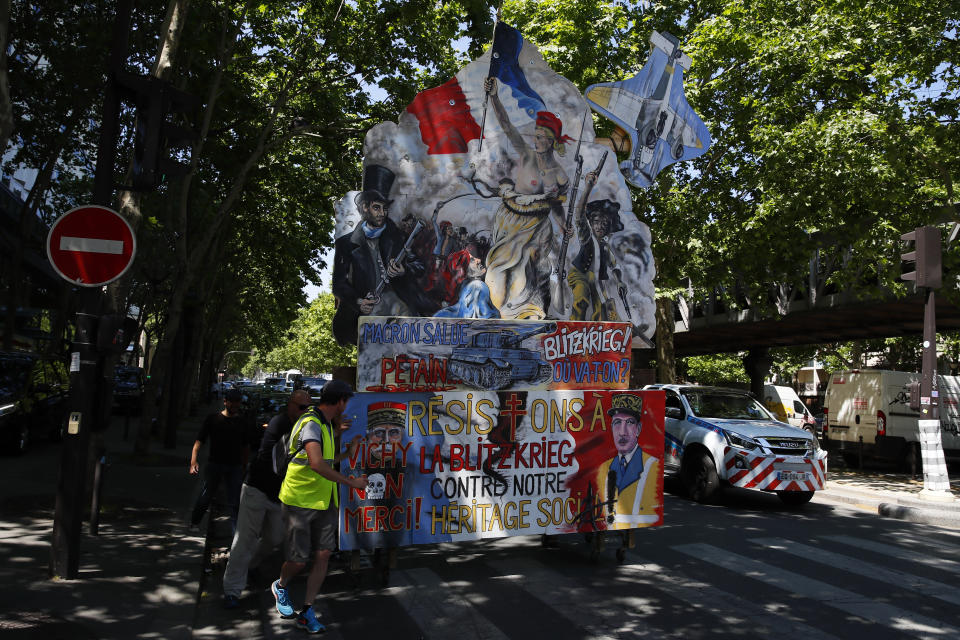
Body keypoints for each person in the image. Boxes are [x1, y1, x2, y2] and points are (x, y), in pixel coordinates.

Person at [271, 380, 368, 634]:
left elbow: (325, 460)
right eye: (347, 402)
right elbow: (316, 464)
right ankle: (281, 586)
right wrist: (352, 482)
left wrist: (347, 454)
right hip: (299, 501)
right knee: (298, 561)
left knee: (323, 554)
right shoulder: (312, 423)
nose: (347, 408)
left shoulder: (325, 424)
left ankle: (307, 610)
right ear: (340, 402)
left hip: (324, 500)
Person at [482, 76, 570, 320]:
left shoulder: (559, 175)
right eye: (536, 136)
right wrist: (494, 96)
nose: (537, 140)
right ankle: (499, 310)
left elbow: (556, 206)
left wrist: (563, 225)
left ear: (552, 141)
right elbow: (507, 126)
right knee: (498, 269)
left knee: (531, 268)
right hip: (511, 220)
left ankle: (529, 313)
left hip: (538, 226)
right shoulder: (527, 156)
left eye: (542, 137)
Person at [221, 388, 312, 609]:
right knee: (245, 539)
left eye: (307, 408)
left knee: (275, 538)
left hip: (278, 496)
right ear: (290, 405)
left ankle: (250, 565)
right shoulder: (279, 423)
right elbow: (270, 458)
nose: (304, 412)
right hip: (257, 489)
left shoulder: (307, 427)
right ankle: (232, 590)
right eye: (301, 407)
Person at [331, 164, 431, 346]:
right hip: (365, 311)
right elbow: (339, 284)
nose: (382, 214)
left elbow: (419, 267)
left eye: (385, 208)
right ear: (364, 208)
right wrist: (359, 301)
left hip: (397, 305)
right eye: (377, 208)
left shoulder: (397, 236)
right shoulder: (345, 243)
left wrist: (403, 271)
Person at [189, 388, 253, 533]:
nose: (235, 406)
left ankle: (236, 531)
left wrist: (244, 464)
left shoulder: (242, 422)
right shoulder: (213, 419)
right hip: (215, 463)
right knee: (206, 495)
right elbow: (200, 441)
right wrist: (193, 461)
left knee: (234, 500)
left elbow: (246, 446)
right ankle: (194, 522)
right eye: (233, 403)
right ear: (225, 402)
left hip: (234, 465)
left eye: (238, 403)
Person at [595, 393, 660, 530]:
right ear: (611, 428)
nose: (622, 432)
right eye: (617, 423)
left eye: (629, 422)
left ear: (638, 429)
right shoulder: (603, 468)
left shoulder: (653, 466)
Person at [567, 171, 625, 321]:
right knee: (581, 298)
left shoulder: (605, 247)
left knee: (603, 306)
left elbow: (614, 266)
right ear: (591, 223)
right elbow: (579, 214)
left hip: (597, 279)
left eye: (604, 224)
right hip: (580, 274)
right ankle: (574, 327)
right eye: (597, 222)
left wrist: (620, 282)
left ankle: (600, 333)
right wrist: (588, 187)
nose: (600, 226)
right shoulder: (587, 237)